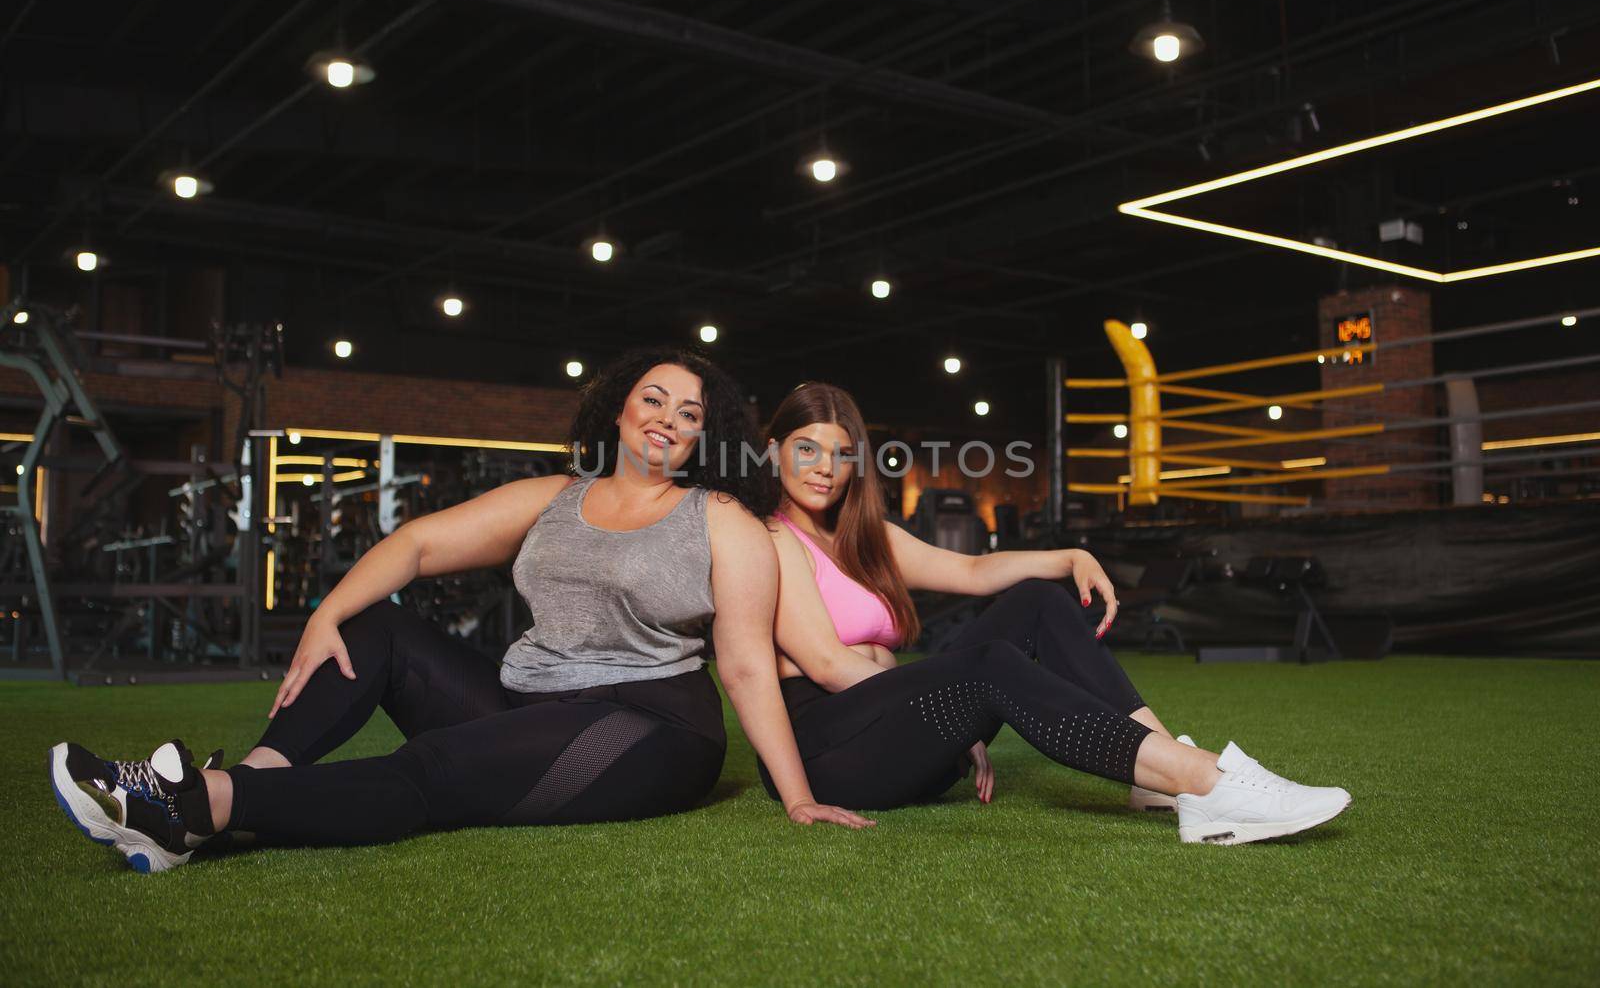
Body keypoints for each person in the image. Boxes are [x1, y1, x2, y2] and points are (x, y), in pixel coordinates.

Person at [48, 349, 870, 873]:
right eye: (655, 400)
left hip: (649, 725)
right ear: (621, 406)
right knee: (376, 627)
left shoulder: (719, 518)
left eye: (689, 414)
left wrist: (795, 795)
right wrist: (324, 612)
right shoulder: (555, 496)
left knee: (434, 770)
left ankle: (192, 805)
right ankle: (258, 776)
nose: (668, 420)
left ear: (701, 436)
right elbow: (416, 545)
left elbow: (747, 664)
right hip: (531, 698)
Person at [757, 382, 1350, 845]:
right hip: (832, 754)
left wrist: (1067, 556)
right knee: (985, 663)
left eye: (839, 453)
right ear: (773, 449)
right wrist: (938, 699)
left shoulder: (867, 536)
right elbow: (830, 665)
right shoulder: (773, 541)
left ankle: (1166, 777)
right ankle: (1201, 779)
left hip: (894, 735)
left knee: (1037, 601)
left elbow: (970, 573)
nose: (823, 468)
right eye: (806, 448)